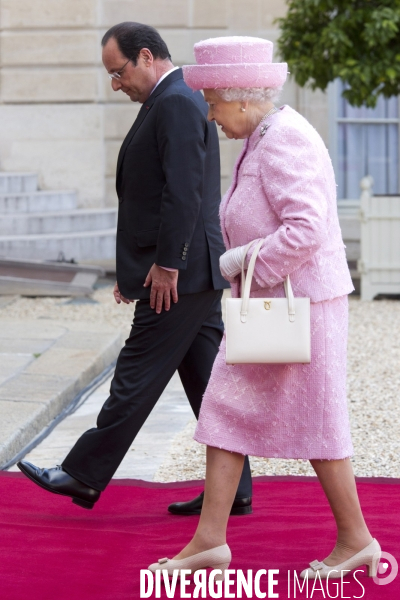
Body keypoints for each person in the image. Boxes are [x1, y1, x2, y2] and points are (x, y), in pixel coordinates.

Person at [148, 36, 381, 579]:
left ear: (243, 98)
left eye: (213, 103)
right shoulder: (265, 134)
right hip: (273, 304)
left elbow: (306, 228)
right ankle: (210, 540)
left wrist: (240, 261)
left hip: (302, 305)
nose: (210, 116)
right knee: (225, 409)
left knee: (317, 423)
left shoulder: (283, 140)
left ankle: (357, 539)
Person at [17, 23, 253, 515]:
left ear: (146, 56)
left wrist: (165, 265)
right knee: (209, 385)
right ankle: (237, 492)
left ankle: (83, 475)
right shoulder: (172, 99)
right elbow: (154, 194)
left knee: (135, 373)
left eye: (118, 72)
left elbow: (183, 192)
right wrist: (138, 270)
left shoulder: (174, 101)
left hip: (180, 276)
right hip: (190, 272)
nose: (115, 84)